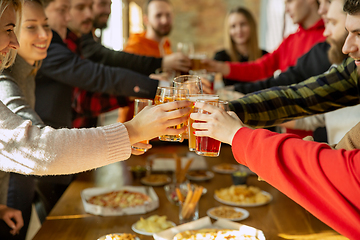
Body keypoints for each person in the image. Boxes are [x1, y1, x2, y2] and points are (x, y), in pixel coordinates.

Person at [0, 0, 191, 237]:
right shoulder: (5, 81)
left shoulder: (30, 69)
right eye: (11, 29)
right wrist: (131, 131)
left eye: (46, 25)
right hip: (24, 181)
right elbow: (37, 146)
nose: (43, 35)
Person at [205, 0, 325, 83]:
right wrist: (218, 66)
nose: (286, 9)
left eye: (290, 1)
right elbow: (261, 68)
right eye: (233, 26)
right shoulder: (291, 40)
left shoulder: (328, 37)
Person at [213, 7, 268, 86]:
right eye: (233, 26)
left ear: (251, 26)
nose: (238, 30)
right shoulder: (221, 57)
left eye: (243, 24)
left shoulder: (265, 56)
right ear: (228, 30)